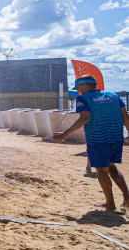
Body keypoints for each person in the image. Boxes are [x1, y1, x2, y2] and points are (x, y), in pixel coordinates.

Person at [52, 75, 129, 212]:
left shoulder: (83, 98)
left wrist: (64, 135)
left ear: (87, 85)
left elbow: (84, 119)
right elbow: (125, 115)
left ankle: (111, 204)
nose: (78, 91)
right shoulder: (113, 95)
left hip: (98, 139)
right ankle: (127, 198)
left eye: (79, 87)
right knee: (112, 168)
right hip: (117, 138)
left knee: (102, 171)